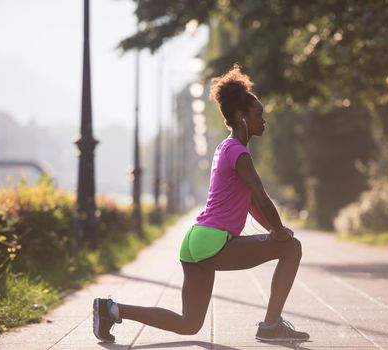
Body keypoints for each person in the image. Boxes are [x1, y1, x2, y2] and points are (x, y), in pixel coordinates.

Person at [93, 64, 309, 343]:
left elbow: (252, 204)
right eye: (258, 114)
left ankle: (110, 309)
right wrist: (280, 234)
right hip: (214, 243)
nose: (263, 120)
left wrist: (275, 230)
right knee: (292, 249)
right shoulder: (239, 153)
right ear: (241, 117)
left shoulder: (224, 148)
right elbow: (261, 197)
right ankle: (270, 326)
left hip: (194, 241)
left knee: (189, 324)